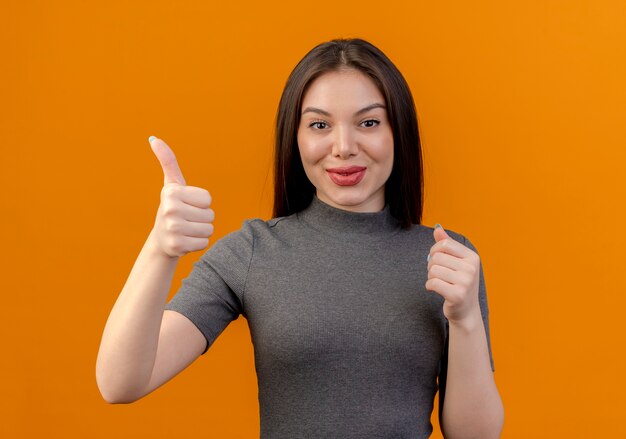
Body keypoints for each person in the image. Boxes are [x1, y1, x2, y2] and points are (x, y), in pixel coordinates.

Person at [96, 38, 504, 438]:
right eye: (320, 125)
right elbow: (120, 383)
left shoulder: (447, 258)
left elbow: (475, 435)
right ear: (296, 136)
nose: (343, 147)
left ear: (399, 132)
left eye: (369, 122)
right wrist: (160, 251)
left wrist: (465, 318)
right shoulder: (253, 252)